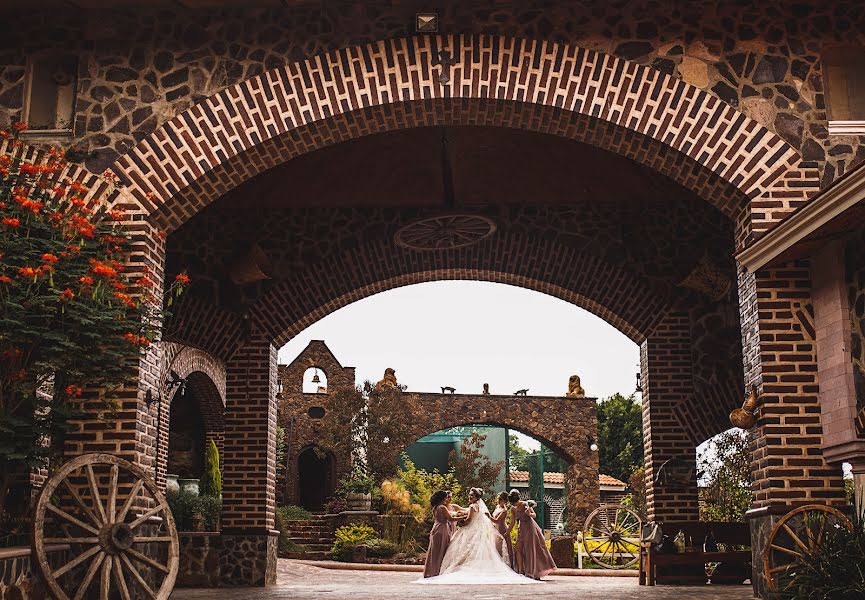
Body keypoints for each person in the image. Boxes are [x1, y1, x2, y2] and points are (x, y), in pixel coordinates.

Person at [416, 488, 538, 585]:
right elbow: (466, 511)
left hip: (467, 530)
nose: (469, 497)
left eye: (471, 495)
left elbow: (468, 520)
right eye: (469, 495)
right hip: (452, 529)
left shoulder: (473, 506)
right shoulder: (474, 506)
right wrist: (460, 512)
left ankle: (436, 570)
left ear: (476, 497)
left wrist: (461, 522)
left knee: (458, 549)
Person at [508, 489, 556, 580]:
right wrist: (508, 532)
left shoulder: (525, 504)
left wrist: (529, 513)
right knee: (518, 548)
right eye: (512, 502)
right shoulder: (513, 509)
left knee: (530, 549)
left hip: (530, 528)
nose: (514, 504)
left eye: (515, 502)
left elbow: (534, 515)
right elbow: (512, 521)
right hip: (521, 528)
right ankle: (520, 570)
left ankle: (531, 571)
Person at [423, 489, 465, 578]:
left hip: (436, 528)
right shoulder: (442, 507)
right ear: (442, 498)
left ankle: (431, 571)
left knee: (435, 551)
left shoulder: (435, 507)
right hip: (442, 529)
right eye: (446, 498)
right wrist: (463, 517)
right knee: (442, 550)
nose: (447, 499)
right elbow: (451, 519)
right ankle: (439, 571)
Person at [487, 491, 515, 568]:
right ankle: (496, 565)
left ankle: (504, 566)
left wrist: (488, 516)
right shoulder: (497, 507)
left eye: (501, 499)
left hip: (502, 529)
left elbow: (497, 520)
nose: (498, 501)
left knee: (501, 547)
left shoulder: (504, 511)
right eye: (498, 499)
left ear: (505, 501)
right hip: (496, 528)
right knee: (496, 546)